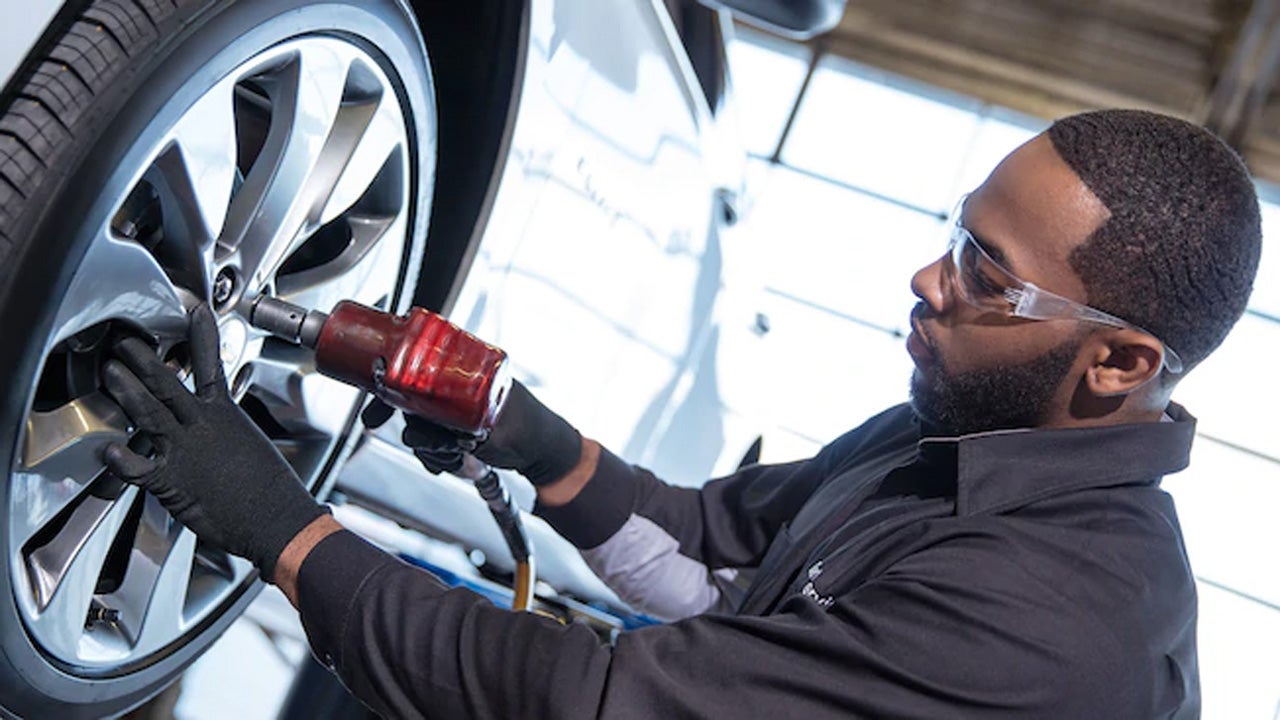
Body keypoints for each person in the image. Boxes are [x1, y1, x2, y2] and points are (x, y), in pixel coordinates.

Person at [100, 109, 1261, 719]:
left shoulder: (1054, 631)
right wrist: (521, 428)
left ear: (1116, 362)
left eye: (982, 274)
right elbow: (710, 557)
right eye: (952, 235)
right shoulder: (952, 431)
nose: (927, 281)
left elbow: (591, 704)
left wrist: (279, 527)